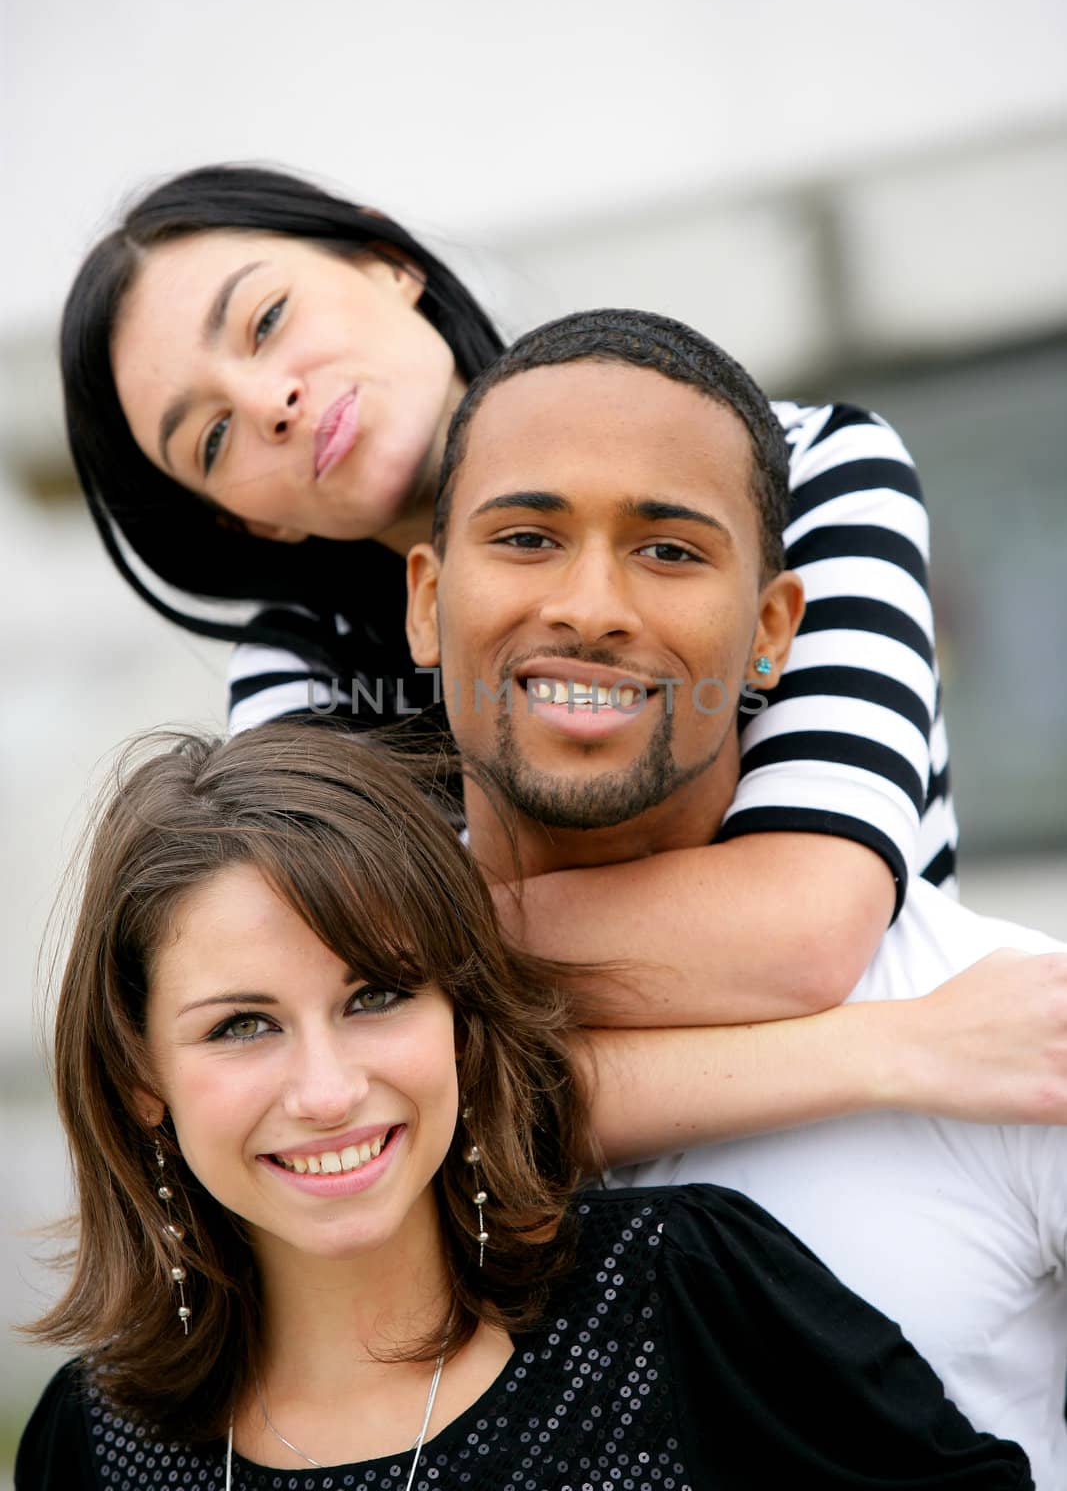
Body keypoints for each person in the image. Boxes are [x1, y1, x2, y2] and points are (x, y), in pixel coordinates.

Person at [64, 163, 954, 1049]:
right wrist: (885, 1058)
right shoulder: (302, 674)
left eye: (266, 320)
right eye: (212, 436)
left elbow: (803, 929)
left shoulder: (806, 469)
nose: (272, 403)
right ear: (248, 522)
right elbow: (382, 1053)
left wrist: (408, 950)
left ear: (387, 261)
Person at [403, 306, 1067, 1487]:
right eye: (524, 537)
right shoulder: (311, 1056)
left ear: (771, 632)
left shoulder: (1015, 1026)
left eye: (667, 550)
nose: (590, 605)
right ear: (422, 601)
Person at [16, 723, 1030, 1489]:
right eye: (241, 1025)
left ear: (458, 1016)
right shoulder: (94, 1444)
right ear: (141, 1076)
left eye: (375, 996)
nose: (325, 1090)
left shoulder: (677, 1296)